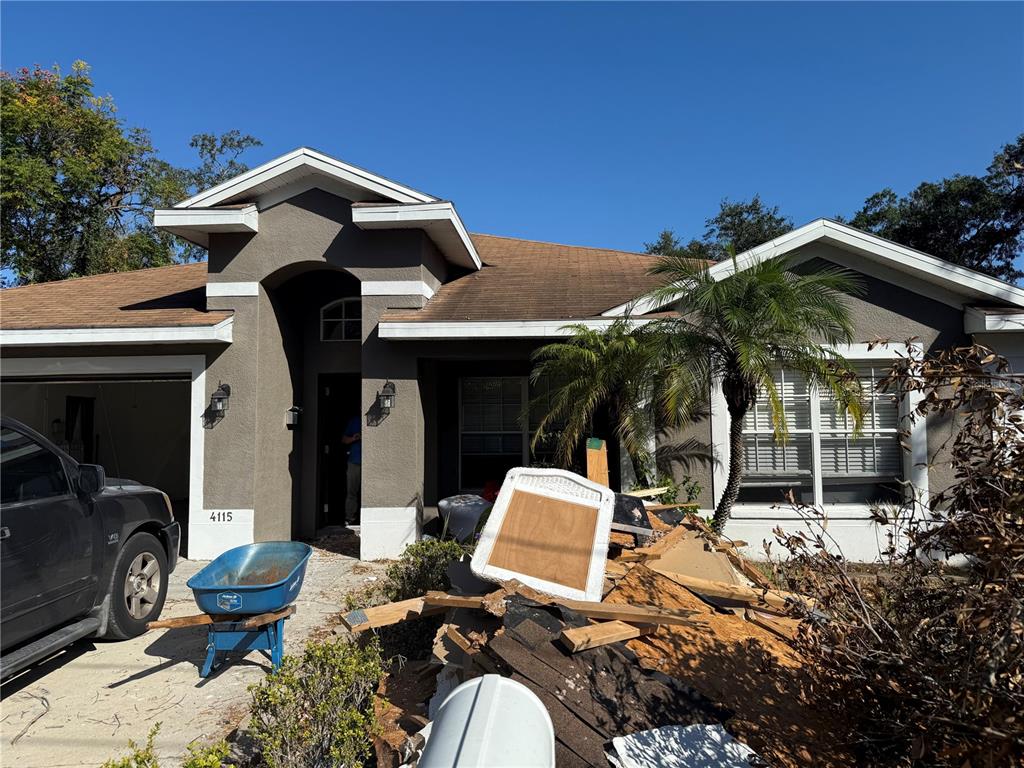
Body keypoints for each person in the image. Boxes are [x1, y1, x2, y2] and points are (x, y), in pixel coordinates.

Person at [342, 414, 361, 527]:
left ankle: (366, 517)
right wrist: (355, 438)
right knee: (352, 492)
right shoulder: (354, 421)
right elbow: (344, 439)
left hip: (370, 462)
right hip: (354, 461)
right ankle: (350, 518)